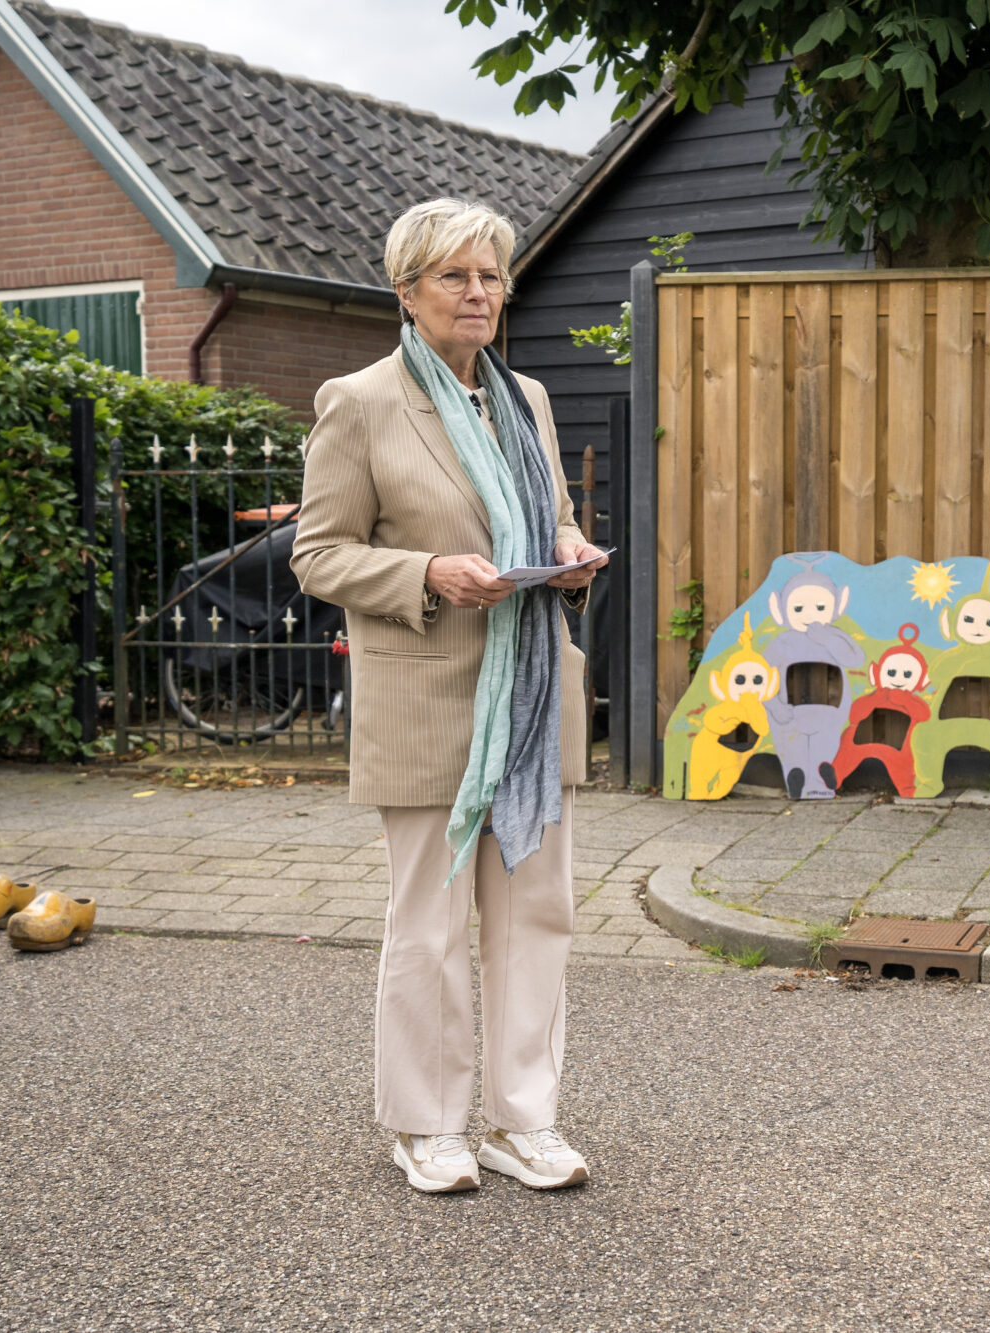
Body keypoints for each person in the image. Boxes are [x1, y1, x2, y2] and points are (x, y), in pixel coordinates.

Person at [291, 198, 609, 1194]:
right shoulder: (360, 400)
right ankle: (426, 1124)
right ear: (406, 291)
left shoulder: (529, 400)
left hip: (529, 696)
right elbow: (319, 553)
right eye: (454, 277)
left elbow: (549, 517)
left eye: (490, 276)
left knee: (536, 916)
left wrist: (567, 555)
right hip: (429, 700)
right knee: (428, 923)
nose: (478, 293)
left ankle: (524, 1120)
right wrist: (427, 571)